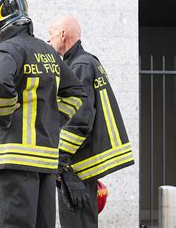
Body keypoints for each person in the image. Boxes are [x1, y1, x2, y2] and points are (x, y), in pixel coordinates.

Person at [0, 0, 88, 228]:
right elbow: (77, 93)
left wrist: (2, 117)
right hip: (44, 164)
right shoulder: (49, 53)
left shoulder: (8, 49)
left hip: (12, 161)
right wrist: (50, 119)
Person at [48, 15, 135, 228]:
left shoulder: (79, 66)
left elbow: (79, 119)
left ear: (63, 35)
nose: (48, 40)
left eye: (50, 35)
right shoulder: (87, 62)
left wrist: (60, 159)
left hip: (76, 166)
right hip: (82, 164)